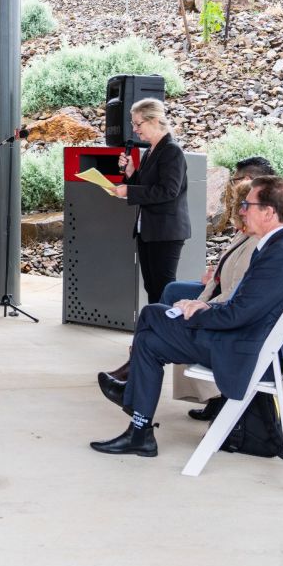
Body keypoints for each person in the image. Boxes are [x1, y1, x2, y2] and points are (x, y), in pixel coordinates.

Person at [90, 176, 283, 457]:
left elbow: (237, 314)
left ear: (269, 212)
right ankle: (139, 430)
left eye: (249, 204)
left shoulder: (281, 255)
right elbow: (246, 306)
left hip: (246, 350)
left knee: (152, 315)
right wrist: (204, 307)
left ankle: (135, 416)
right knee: (150, 340)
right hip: (255, 342)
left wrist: (200, 311)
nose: (243, 210)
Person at [154, 156, 281, 421]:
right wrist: (217, 273)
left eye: (237, 180)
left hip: (240, 324)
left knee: (165, 315)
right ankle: (143, 368)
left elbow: (240, 294)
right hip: (228, 297)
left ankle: (206, 392)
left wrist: (202, 305)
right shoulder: (252, 221)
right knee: (171, 295)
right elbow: (234, 268)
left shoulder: (266, 232)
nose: (233, 186)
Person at [104, 98, 190, 383]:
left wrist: (129, 190)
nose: (135, 130)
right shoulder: (154, 150)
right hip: (149, 231)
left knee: (162, 294)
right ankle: (143, 357)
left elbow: (167, 191)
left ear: (155, 120)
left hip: (165, 233)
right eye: (133, 124)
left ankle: (151, 356)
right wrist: (131, 174)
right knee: (154, 292)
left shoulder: (172, 151)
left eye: (138, 123)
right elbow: (149, 184)